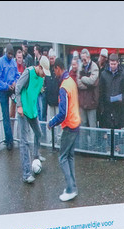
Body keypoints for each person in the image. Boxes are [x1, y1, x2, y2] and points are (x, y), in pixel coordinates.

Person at [48, 57, 82, 202]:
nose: (54, 73)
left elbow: (62, 114)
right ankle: (72, 187)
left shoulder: (63, 87)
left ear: (57, 68)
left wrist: (51, 122)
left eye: (54, 70)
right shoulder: (71, 82)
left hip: (69, 126)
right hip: (76, 123)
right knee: (70, 156)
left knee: (62, 158)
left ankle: (71, 188)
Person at [16, 54, 47, 185]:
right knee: (24, 142)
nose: (45, 75)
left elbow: (37, 90)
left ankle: (36, 155)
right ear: (39, 67)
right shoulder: (28, 72)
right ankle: (26, 173)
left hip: (32, 111)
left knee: (39, 133)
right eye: (44, 72)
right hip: (23, 110)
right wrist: (19, 106)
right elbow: (18, 88)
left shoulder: (41, 77)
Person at [0, 46, 18, 149]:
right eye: (9, 54)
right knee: (5, 115)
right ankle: (9, 140)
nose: (10, 56)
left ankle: (12, 137)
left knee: (16, 109)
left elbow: (17, 75)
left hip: (11, 89)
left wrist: (15, 83)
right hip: (3, 90)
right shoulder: (0, 63)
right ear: (6, 52)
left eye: (12, 55)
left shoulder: (13, 62)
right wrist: (6, 86)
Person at [99, 51, 124, 132]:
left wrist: (122, 98)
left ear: (118, 63)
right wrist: (102, 107)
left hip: (119, 107)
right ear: (109, 62)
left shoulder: (123, 74)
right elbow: (101, 91)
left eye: (114, 64)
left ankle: (117, 144)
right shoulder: (104, 74)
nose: (113, 66)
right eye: (111, 64)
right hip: (107, 107)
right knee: (108, 130)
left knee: (118, 130)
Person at [76, 48, 100, 129]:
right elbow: (78, 83)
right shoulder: (80, 67)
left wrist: (83, 79)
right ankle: (83, 142)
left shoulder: (94, 67)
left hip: (91, 102)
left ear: (89, 57)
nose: (83, 61)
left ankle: (94, 142)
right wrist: (87, 85)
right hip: (82, 103)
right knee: (83, 126)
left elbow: (93, 81)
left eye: (85, 59)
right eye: (82, 59)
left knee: (93, 126)